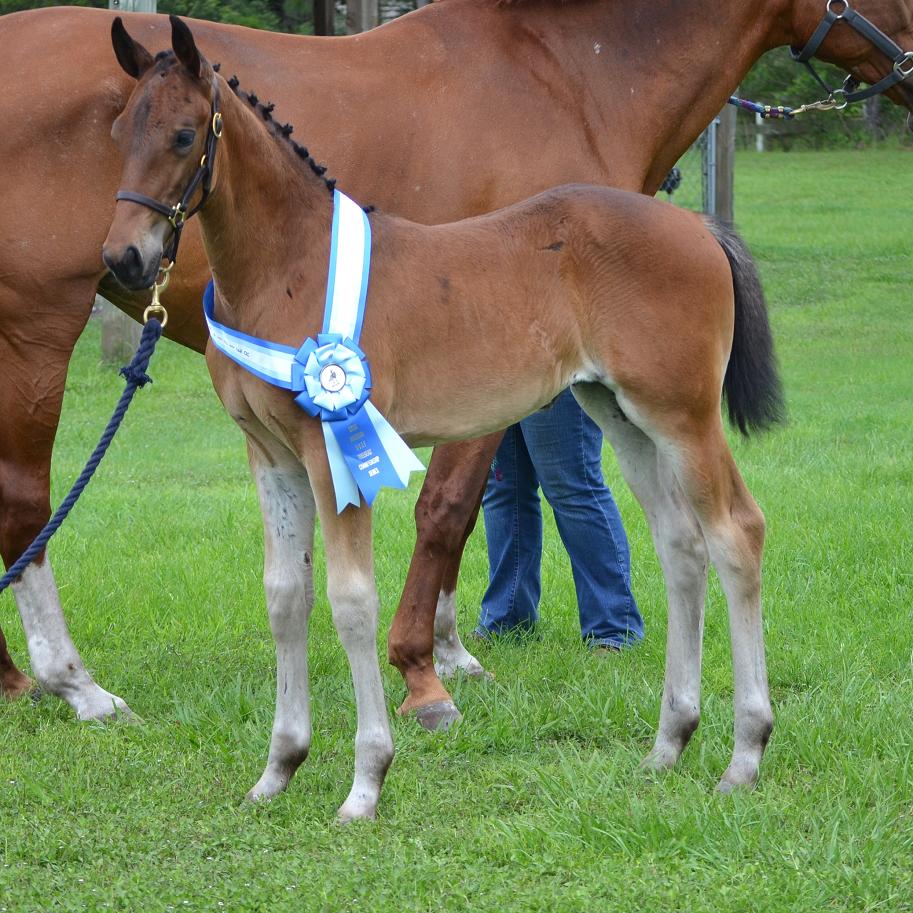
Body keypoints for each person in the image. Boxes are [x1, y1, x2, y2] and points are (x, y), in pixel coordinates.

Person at [473, 389, 643, 650]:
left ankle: (613, 629)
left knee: (571, 485)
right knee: (504, 486)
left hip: (553, 357)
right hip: (494, 365)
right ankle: (507, 619)